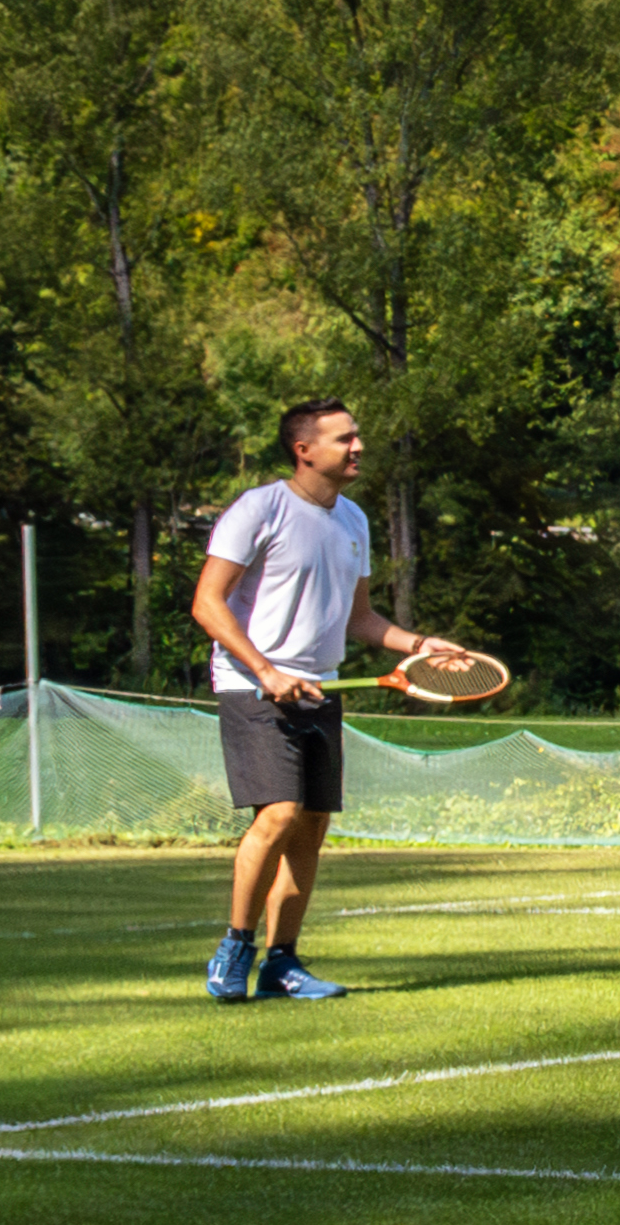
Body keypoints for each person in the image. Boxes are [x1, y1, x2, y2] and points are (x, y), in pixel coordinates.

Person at [189, 401, 453, 1003]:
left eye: (358, 435)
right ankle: (233, 949)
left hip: (322, 687)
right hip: (251, 685)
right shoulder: (260, 508)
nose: (359, 446)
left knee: (310, 828)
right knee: (278, 814)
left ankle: (282, 963)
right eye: (345, 438)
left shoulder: (354, 519)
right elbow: (208, 603)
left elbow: (359, 618)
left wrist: (418, 645)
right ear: (305, 449)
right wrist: (265, 669)